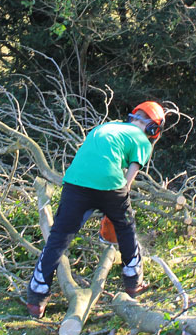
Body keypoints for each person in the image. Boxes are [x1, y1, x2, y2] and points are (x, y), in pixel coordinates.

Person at [25, 101, 166, 319]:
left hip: (74, 181)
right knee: (126, 228)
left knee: (59, 237)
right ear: (153, 129)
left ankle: (36, 297)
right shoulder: (142, 140)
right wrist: (117, 208)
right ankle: (133, 281)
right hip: (110, 182)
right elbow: (129, 178)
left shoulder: (106, 127)